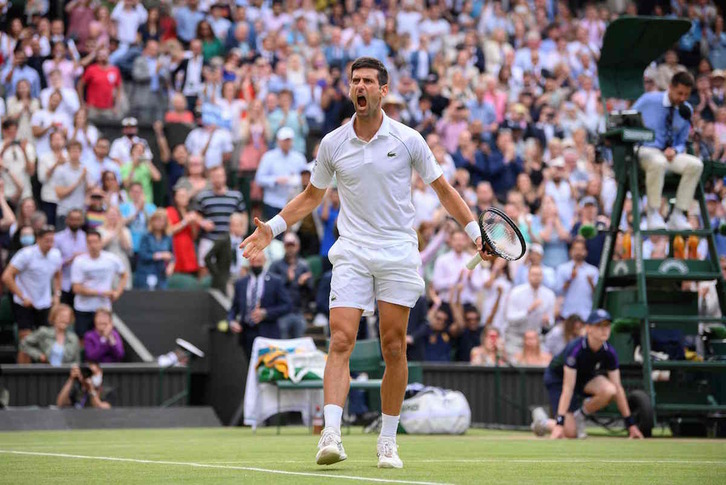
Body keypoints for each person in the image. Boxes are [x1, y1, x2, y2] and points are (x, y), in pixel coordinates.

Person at [240, 57, 493, 469]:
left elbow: (444, 190)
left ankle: (388, 442)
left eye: (368, 81)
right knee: (340, 339)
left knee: (393, 347)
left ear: (383, 90)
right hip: (353, 250)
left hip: (397, 250)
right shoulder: (332, 143)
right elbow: (310, 196)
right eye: (355, 81)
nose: (360, 87)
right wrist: (272, 228)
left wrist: (474, 234)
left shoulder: (410, 139)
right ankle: (332, 434)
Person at [531, 309, 645, 440]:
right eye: (599, 326)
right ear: (589, 329)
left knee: (610, 390)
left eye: (607, 325)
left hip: (583, 378)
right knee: (570, 433)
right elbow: (568, 388)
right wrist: (560, 423)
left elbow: (618, 388)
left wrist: (631, 425)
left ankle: (579, 416)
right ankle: (543, 422)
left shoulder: (609, 352)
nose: (604, 330)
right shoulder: (575, 349)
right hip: (558, 379)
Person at [633, 71, 703, 230]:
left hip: (669, 155)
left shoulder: (686, 110)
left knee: (696, 165)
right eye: (679, 93)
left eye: (686, 94)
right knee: (658, 162)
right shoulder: (648, 100)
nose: (682, 98)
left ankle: (678, 215)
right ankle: (653, 213)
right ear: (670, 87)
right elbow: (626, 119)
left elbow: (682, 140)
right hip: (646, 150)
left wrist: (676, 150)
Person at [2, 225, 62, 349]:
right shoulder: (25, 254)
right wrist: (22, 296)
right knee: (26, 342)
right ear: (38, 239)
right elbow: (7, 276)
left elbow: (58, 275)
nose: (50, 244)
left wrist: (57, 295)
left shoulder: (56, 255)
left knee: (45, 341)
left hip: (44, 303)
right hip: (24, 303)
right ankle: (24, 368)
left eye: (52, 241)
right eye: (47, 241)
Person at [228, 251, 292, 358]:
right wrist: (231, 321)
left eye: (259, 261)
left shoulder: (275, 281)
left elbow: (287, 305)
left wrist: (266, 313)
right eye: (253, 261)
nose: (256, 264)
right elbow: (234, 308)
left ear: (264, 261)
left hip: (268, 331)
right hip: (247, 332)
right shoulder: (241, 283)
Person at [70, 230, 129, 337]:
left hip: (103, 308)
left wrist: (117, 292)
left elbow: (124, 275)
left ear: (101, 242)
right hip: (83, 307)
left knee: (104, 336)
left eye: (95, 242)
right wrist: (100, 292)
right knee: (82, 338)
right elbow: (76, 288)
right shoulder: (79, 261)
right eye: (90, 242)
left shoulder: (111, 259)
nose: (93, 245)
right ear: (86, 244)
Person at [255, 127, 308, 220]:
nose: (287, 143)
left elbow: (306, 178)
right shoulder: (269, 157)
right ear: (278, 141)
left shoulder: (299, 158)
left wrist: (297, 180)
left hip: (293, 201)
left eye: (289, 140)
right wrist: (275, 180)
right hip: (272, 201)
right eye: (284, 140)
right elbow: (259, 178)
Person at [268, 232, 313, 339]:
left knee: (298, 346)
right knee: (282, 345)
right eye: (288, 245)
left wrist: (304, 283)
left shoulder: (303, 265)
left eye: (292, 245)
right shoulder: (276, 265)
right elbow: (269, 288)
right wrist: (287, 280)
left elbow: (311, 291)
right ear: (284, 246)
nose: (290, 249)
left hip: (299, 312)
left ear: (297, 246)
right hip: (281, 313)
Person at [504, 265, 556, 357]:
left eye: (539, 275)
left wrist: (547, 322)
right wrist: (528, 311)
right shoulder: (516, 292)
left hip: (536, 338)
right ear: (528, 276)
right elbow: (510, 318)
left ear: (542, 276)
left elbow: (551, 322)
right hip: (516, 337)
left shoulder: (549, 295)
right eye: (533, 274)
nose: (536, 277)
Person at [555, 237, 599, 321]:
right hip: (568, 313)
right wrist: (570, 279)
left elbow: (597, 295)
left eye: (581, 249)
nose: (578, 252)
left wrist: (591, 284)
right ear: (570, 251)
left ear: (586, 252)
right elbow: (558, 292)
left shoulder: (593, 271)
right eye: (576, 249)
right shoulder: (562, 268)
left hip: (586, 313)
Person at [134, 209, 174, 290]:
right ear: (152, 221)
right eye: (157, 220)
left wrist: (171, 266)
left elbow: (172, 255)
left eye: (162, 221)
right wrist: (160, 255)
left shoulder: (167, 237)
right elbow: (143, 255)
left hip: (162, 274)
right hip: (146, 272)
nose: (160, 223)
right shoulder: (146, 236)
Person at [54, 209, 87, 306]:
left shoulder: (86, 238)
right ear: (67, 220)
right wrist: (68, 260)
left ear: (82, 221)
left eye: (78, 219)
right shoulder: (58, 238)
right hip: (64, 283)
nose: (75, 222)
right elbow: (53, 261)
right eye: (72, 219)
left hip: (82, 284)